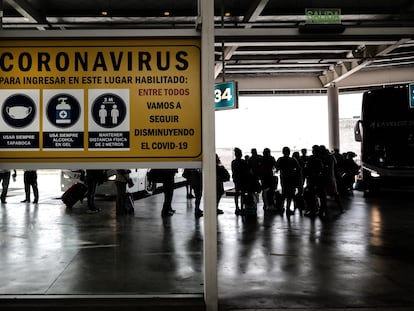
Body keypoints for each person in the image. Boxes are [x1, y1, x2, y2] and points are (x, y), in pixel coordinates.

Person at [276, 146, 301, 216]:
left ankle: (281, 207)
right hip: (291, 178)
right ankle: (288, 208)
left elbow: (276, 168)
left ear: (283, 152)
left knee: (284, 193)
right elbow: (298, 168)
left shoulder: (280, 159)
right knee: (290, 194)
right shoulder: (293, 160)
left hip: (283, 178)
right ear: (289, 152)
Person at [231, 147, 249, 215]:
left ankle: (237, 208)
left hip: (236, 179)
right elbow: (246, 171)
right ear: (240, 154)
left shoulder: (233, 162)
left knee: (237, 193)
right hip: (243, 180)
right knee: (242, 194)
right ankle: (242, 207)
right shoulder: (243, 162)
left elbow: (233, 171)